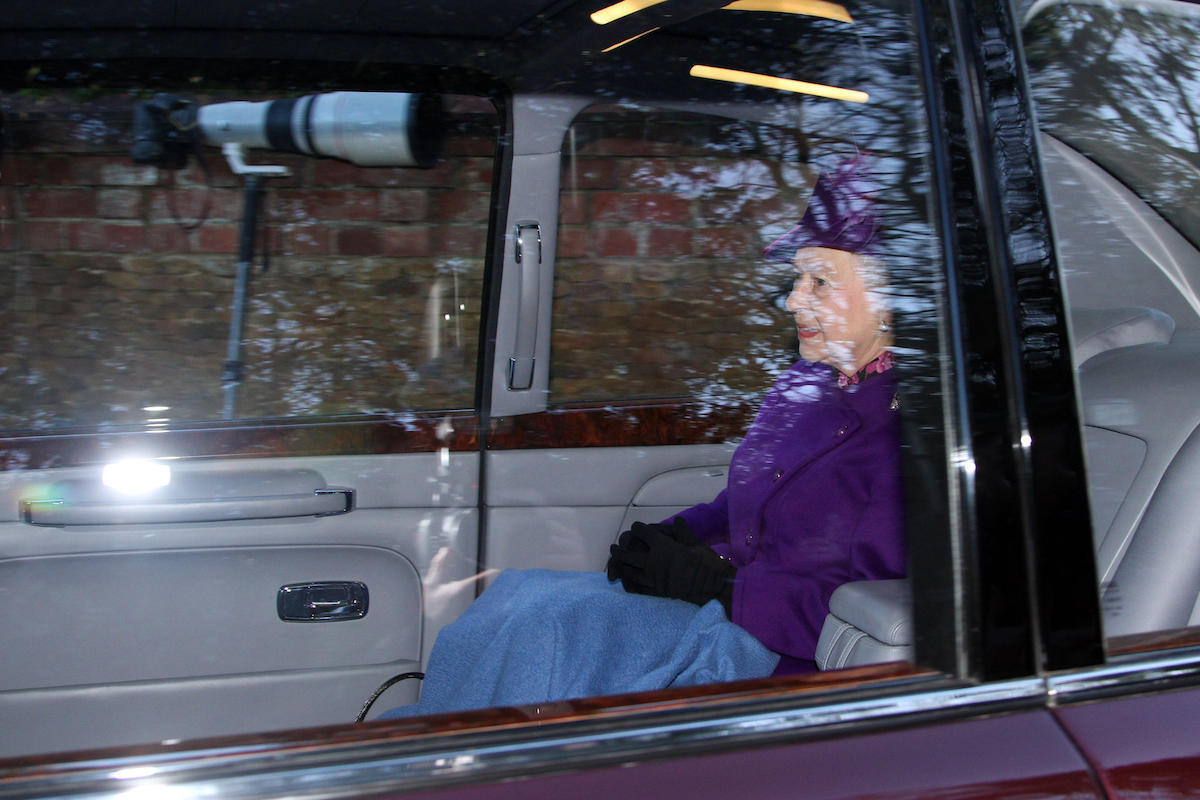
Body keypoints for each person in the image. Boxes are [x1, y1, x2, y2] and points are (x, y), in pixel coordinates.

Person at [606, 155, 906, 674]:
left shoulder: (915, 434)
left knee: (554, 631)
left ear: (889, 296)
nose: (792, 300)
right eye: (797, 278)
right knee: (530, 605)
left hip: (782, 663)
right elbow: (745, 505)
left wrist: (721, 589)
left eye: (819, 281)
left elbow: (877, 621)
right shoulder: (803, 382)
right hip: (724, 622)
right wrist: (672, 541)